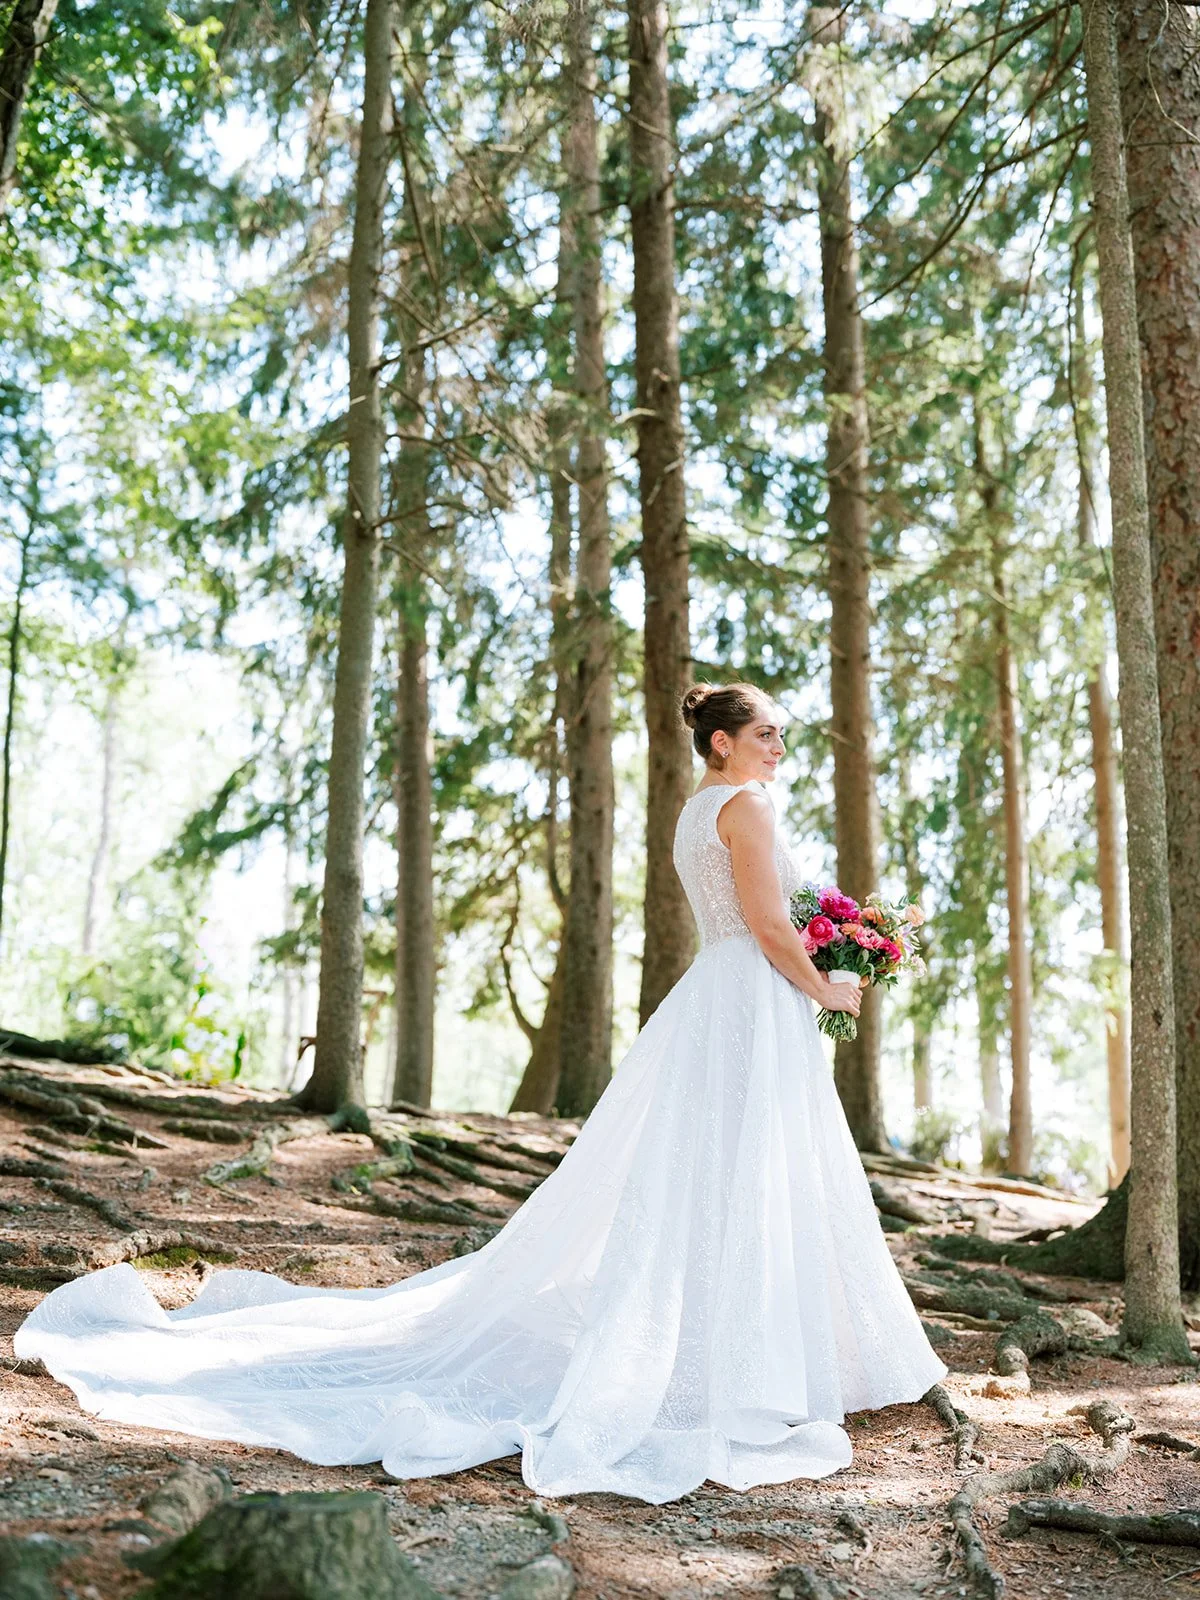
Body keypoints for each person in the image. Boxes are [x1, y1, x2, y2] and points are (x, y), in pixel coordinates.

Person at [15, 681, 946, 1505]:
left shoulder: (697, 813)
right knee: (747, 1173)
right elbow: (764, 925)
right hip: (749, 995)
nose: (782, 748)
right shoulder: (746, 807)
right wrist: (826, 982)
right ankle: (736, 1367)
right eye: (770, 734)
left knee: (724, 1173)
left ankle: (739, 1354)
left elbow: (759, 919)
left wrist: (832, 950)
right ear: (723, 743)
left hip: (722, 998)